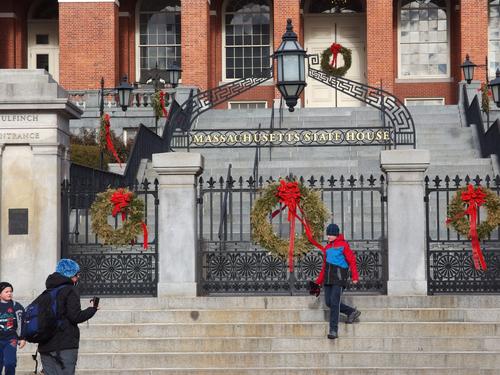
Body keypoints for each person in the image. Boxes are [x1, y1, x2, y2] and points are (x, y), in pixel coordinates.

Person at [38, 259, 98, 375]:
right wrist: (92, 309)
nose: (78, 277)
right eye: (77, 274)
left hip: (45, 346)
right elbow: (75, 317)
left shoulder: (47, 292)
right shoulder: (70, 290)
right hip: (65, 345)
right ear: (71, 275)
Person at [323, 223, 361, 339]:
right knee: (329, 302)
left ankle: (333, 330)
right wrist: (317, 282)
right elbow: (324, 266)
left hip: (339, 279)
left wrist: (355, 277)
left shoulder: (343, 245)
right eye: (327, 234)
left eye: (330, 234)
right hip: (328, 279)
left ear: (335, 234)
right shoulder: (327, 248)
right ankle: (351, 312)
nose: (328, 237)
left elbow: (352, 261)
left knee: (334, 302)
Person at [0, 282, 26, 375]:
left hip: (11, 340)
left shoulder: (16, 306)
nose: (9, 293)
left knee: (10, 363)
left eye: (11, 291)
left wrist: (22, 338)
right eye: (6, 291)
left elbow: (22, 322)